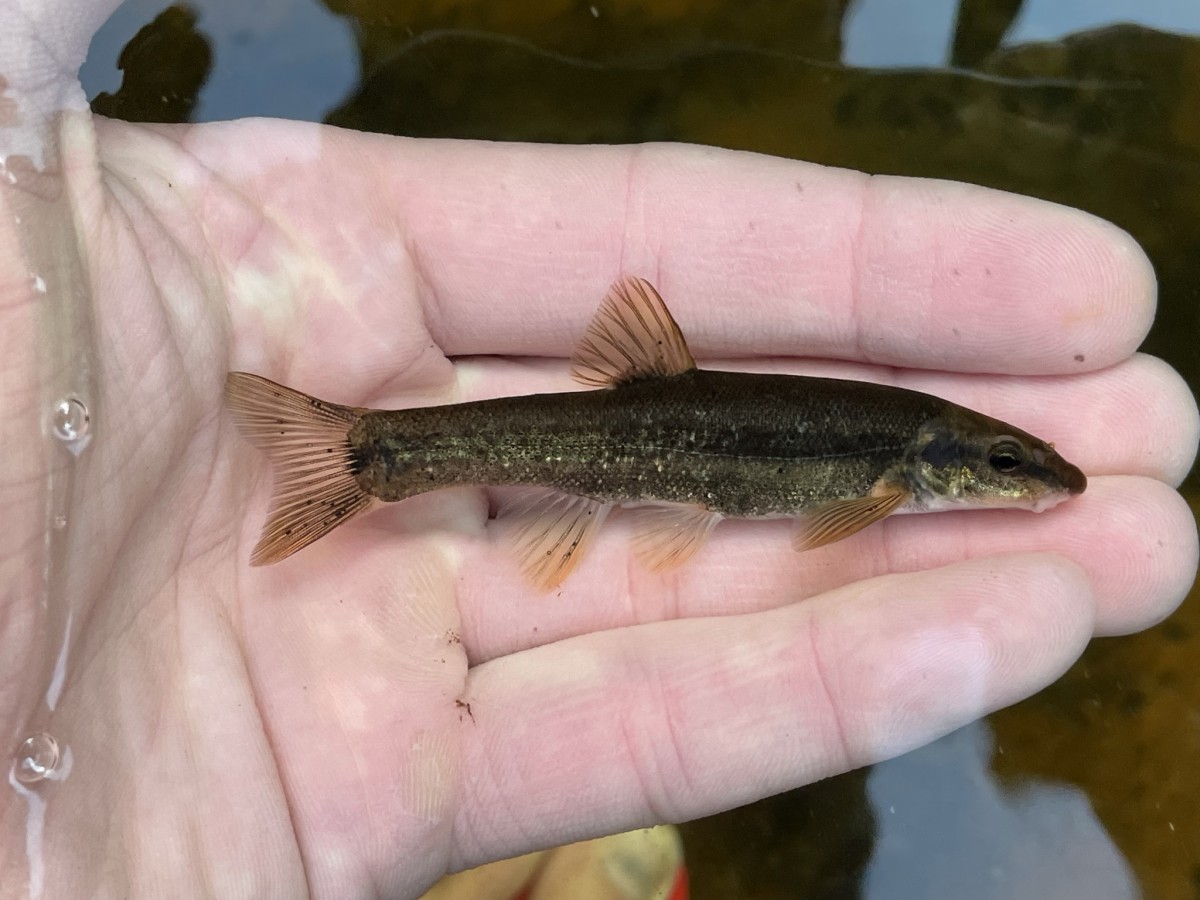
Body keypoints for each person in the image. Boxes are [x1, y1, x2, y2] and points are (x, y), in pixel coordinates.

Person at [1, 1, 1196, 897]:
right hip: (614, 447)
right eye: (1003, 468)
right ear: (943, 465)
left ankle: (368, 464)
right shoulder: (886, 477)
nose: (1023, 484)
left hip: (630, 452)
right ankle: (362, 460)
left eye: (1007, 467)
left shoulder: (900, 466)